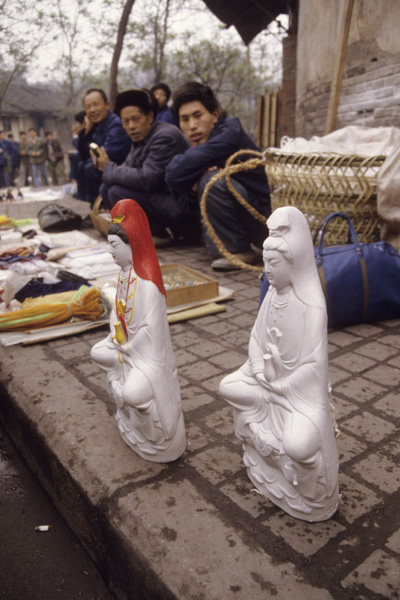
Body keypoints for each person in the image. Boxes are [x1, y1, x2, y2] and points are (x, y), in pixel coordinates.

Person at [219, 207, 339, 521]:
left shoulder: (310, 306)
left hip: (298, 395)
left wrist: (282, 386)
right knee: (226, 386)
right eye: (265, 263)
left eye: (273, 263)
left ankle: (303, 482)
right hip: (265, 383)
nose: (267, 271)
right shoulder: (272, 296)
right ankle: (261, 442)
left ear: (292, 263)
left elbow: (313, 365)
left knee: (299, 448)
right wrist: (258, 369)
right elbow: (256, 338)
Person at [90, 199, 186, 462]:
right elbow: (116, 314)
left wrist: (126, 347)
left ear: (132, 245)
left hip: (146, 357)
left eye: (114, 246)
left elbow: (150, 331)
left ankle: (154, 435)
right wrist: (115, 335)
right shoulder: (123, 276)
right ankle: (124, 408)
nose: (110, 252)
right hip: (124, 347)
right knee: (97, 352)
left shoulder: (148, 286)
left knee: (134, 394)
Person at [165, 81, 271, 271]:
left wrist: (196, 178)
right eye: (185, 119)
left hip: (269, 223)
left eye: (198, 116)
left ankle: (237, 250)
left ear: (214, 115)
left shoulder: (230, 133)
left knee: (210, 180)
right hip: (254, 220)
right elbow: (176, 186)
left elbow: (173, 173)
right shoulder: (200, 146)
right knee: (204, 179)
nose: (192, 126)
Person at [96, 88, 195, 247]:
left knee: (116, 191)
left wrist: (108, 168)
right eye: (126, 121)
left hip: (181, 207)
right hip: (159, 199)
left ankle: (157, 233)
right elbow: (129, 169)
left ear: (149, 116)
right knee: (106, 188)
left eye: (136, 119)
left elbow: (149, 179)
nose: (131, 126)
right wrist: (110, 170)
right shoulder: (142, 137)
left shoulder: (164, 136)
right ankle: (142, 231)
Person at [76, 88, 131, 205]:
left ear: (107, 105)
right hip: (107, 162)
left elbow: (107, 153)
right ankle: (92, 205)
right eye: (88, 107)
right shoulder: (97, 125)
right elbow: (84, 154)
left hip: (121, 165)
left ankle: (99, 206)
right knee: (81, 164)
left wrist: (91, 159)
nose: (92, 110)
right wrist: (86, 130)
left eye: (96, 105)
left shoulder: (115, 124)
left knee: (90, 167)